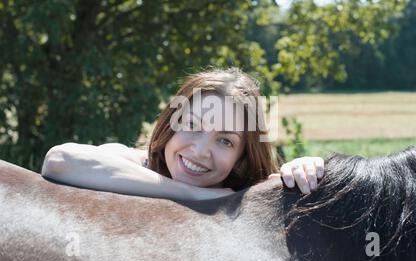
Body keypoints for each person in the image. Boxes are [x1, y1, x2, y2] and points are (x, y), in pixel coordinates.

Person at [41, 68, 324, 201]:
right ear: (171, 125)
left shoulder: (246, 193)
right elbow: (59, 160)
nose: (200, 151)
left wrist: (305, 169)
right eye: (192, 126)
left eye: (225, 141)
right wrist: (191, 194)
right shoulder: (137, 162)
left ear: (241, 157)